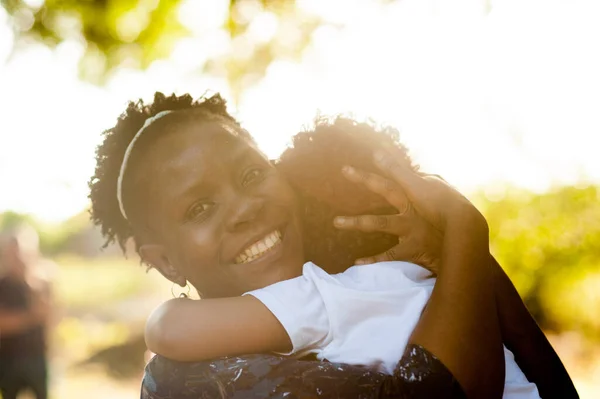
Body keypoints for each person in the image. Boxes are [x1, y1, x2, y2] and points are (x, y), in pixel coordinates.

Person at [88, 92, 577, 398]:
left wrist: (455, 243)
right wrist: (463, 231)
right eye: (199, 208)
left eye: (253, 173)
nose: (244, 208)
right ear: (165, 261)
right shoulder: (185, 381)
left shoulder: (333, 289)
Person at [0, 226, 52, 399]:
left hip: (37, 357)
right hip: (8, 360)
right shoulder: (2, 285)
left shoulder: (40, 282)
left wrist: (32, 284)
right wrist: (30, 317)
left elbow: (48, 314)